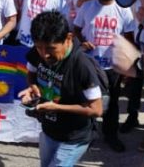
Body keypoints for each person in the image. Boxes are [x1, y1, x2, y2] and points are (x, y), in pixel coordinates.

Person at [19, 11, 103, 167]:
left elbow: (96, 109)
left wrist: (56, 107)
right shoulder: (39, 51)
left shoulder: (81, 65)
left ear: (68, 38)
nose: (45, 55)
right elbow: (31, 72)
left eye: (51, 49)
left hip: (74, 137)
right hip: (49, 130)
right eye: (39, 48)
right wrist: (32, 87)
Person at [73, 0, 135, 152]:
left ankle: (111, 135)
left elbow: (130, 39)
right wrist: (82, 41)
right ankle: (88, 134)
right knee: (88, 101)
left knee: (112, 103)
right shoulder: (86, 7)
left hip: (112, 67)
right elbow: (76, 29)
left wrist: (127, 67)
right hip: (90, 65)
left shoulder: (123, 10)